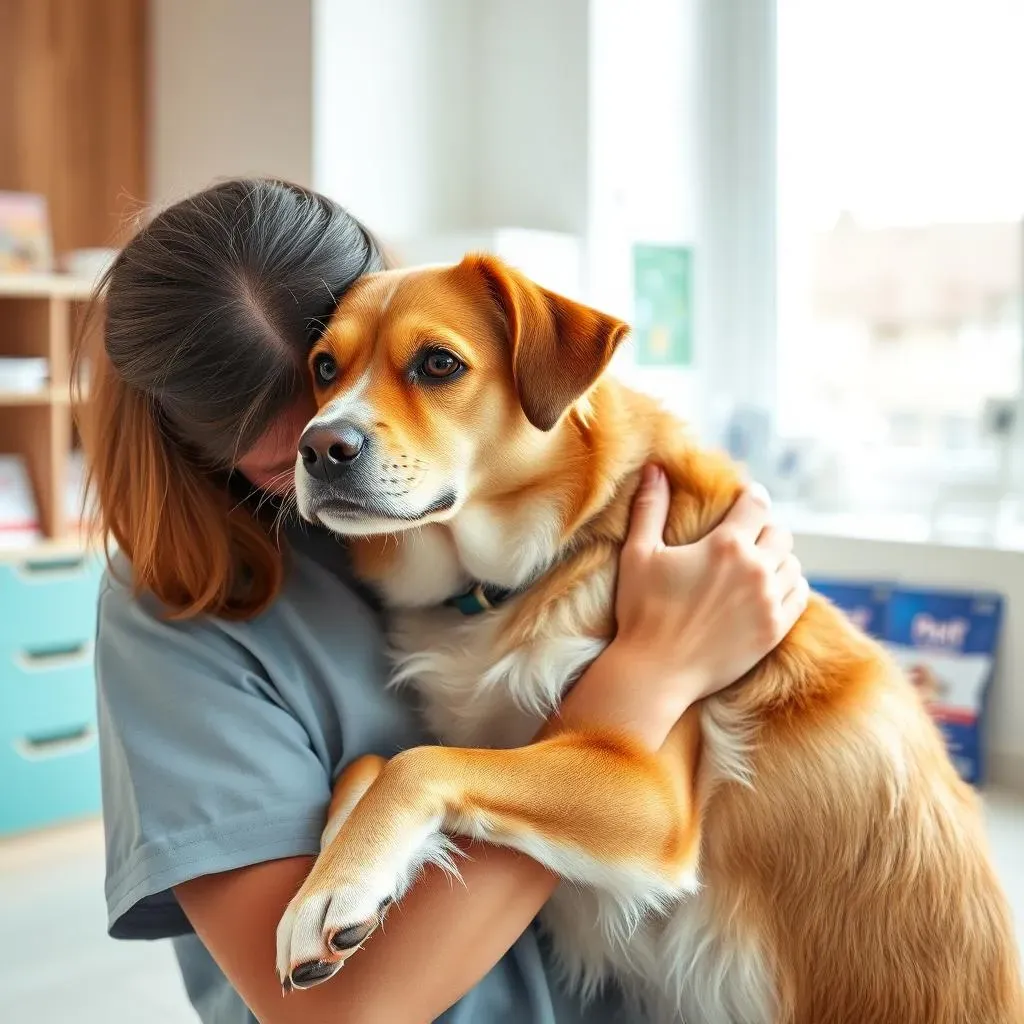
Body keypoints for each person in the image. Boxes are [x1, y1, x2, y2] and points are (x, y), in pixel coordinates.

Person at [77, 178, 808, 1024]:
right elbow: (336, 1014)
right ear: (175, 424)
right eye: (245, 424)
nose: (322, 436)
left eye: (327, 374)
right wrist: (653, 672)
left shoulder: (517, 523)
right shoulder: (170, 614)